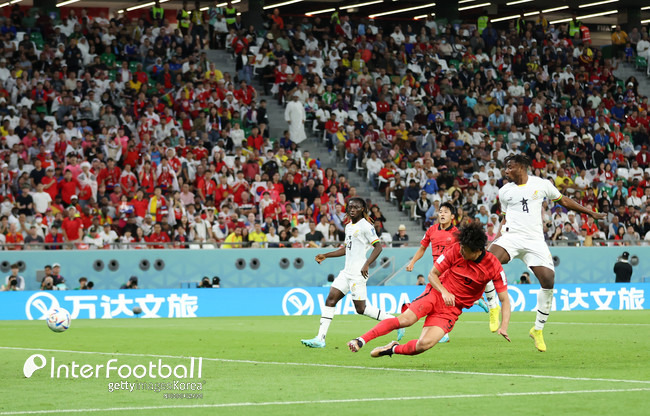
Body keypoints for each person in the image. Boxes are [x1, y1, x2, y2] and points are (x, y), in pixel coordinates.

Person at [484, 154, 605, 352]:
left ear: (521, 167)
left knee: (548, 280)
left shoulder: (541, 184)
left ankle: (537, 330)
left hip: (535, 240)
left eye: (509, 167)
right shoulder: (504, 191)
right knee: (486, 262)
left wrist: (589, 212)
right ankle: (493, 306)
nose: (506, 171)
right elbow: (505, 218)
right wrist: (496, 238)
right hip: (512, 236)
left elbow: (563, 200)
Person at [347, 222, 511, 357]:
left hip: (452, 309)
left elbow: (504, 299)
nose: (460, 250)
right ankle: (361, 340)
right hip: (436, 293)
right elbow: (432, 274)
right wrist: (444, 291)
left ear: (476, 251)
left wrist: (503, 326)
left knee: (423, 345)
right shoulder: (455, 250)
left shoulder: (493, 266)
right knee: (406, 320)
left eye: (464, 249)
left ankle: (392, 348)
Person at [301, 197, 404, 348]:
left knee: (361, 309)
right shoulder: (349, 226)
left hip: (358, 274)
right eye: (350, 206)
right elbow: (346, 249)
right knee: (330, 300)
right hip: (346, 273)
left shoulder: (366, 226)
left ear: (362, 209)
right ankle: (320, 338)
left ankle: (397, 323)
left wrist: (367, 264)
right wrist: (326, 255)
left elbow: (378, 247)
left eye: (356, 207)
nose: (352, 209)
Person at [406, 202, 489, 344]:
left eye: (446, 212)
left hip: (451, 273)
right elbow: (422, 248)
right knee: (440, 302)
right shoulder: (431, 230)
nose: (442, 214)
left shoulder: (457, 234)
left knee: (442, 303)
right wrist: (413, 261)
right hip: (437, 273)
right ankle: (475, 301)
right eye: (440, 212)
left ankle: (441, 332)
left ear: (452, 216)